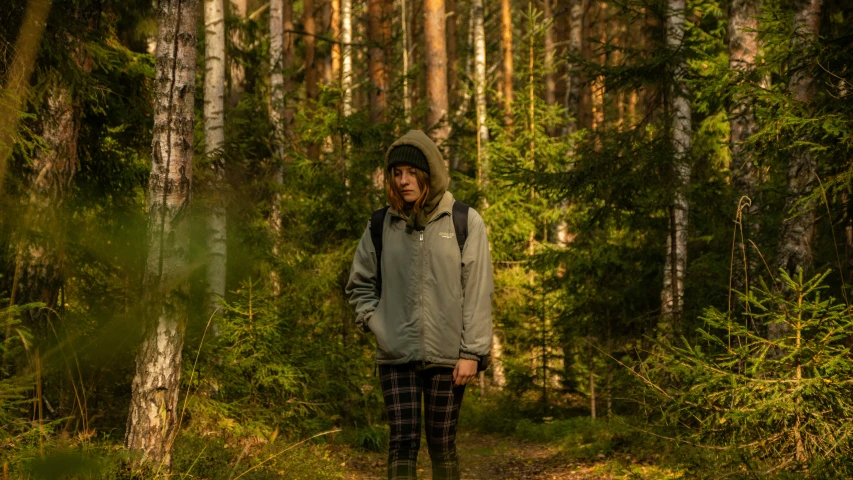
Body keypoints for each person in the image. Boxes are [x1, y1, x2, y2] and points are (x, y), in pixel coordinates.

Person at [346, 130, 494, 480]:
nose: (403, 181)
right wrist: (374, 320)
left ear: (430, 173)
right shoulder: (382, 223)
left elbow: (478, 290)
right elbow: (360, 282)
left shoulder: (463, 221)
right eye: (397, 173)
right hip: (396, 352)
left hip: (449, 358)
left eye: (411, 173)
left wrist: (472, 352)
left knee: (442, 444)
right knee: (402, 442)